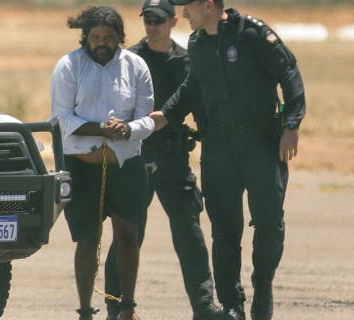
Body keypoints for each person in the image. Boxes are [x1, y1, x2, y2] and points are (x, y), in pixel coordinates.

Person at [149, 1, 306, 319]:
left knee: (268, 223)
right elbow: (193, 86)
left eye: (188, 8)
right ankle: (232, 304)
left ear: (208, 5)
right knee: (224, 229)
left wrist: (291, 125)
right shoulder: (197, 42)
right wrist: (165, 115)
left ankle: (262, 289)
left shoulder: (253, 34)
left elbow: (289, 74)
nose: (185, 15)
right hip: (219, 147)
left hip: (261, 145)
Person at [103, 1, 222, 319]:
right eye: (147, 19)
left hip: (173, 159)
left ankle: (204, 306)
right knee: (129, 234)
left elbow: (201, 106)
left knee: (189, 233)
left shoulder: (187, 61)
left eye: (158, 20)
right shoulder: (128, 60)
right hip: (135, 157)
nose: (151, 25)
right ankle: (116, 307)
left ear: (172, 21)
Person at [50, 6, 156, 320]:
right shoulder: (69, 66)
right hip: (83, 168)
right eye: (95, 36)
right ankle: (85, 309)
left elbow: (147, 120)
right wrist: (101, 130)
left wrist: (126, 130)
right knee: (88, 239)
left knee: (128, 236)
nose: (101, 42)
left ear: (119, 38)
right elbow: (61, 117)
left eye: (109, 37)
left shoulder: (136, 66)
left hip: (125, 167)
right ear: (86, 37)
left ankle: (127, 308)